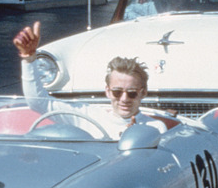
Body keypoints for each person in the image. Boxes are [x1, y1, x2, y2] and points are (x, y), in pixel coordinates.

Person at [13, 21, 166, 139]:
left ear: (143, 93)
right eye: (117, 92)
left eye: (132, 93)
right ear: (107, 91)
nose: (124, 99)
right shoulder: (88, 115)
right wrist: (29, 59)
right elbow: (38, 102)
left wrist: (136, 138)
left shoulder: (155, 128)